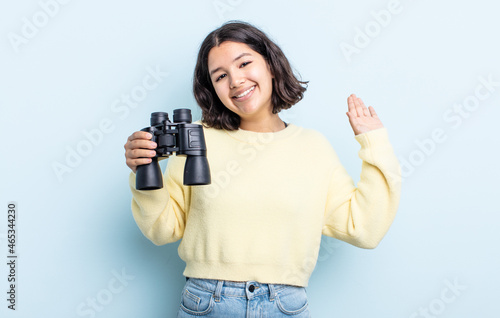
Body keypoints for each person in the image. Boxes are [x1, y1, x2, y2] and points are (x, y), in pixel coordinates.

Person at [124, 21, 401, 318]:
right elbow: (162, 230)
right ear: (212, 89)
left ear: (270, 65)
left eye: (244, 63)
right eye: (220, 76)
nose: (235, 81)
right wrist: (143, 170)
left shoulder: (313, 147)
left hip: (285, 305)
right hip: (207, 302)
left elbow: (366, 229)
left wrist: (375, 145)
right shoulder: (197, 140)